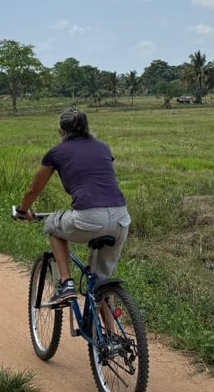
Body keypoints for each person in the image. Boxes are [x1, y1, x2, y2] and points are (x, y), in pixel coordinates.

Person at [15, 108, 130, 307]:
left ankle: (66, 284)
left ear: (61, 131)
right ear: (87, 127)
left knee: (53, 225)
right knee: (101, 283)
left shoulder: (56, 152)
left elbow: (34, 189)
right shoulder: (103, 147)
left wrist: (23, 211)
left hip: (90, 216)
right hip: (121, 218)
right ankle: (110, 336)